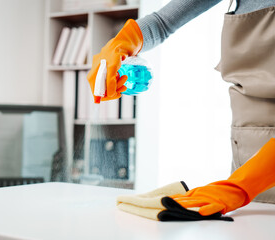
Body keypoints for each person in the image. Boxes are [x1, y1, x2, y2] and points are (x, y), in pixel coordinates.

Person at [87, 0, 275, 217]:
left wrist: (243, 185)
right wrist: (125, 41)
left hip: (246, 183)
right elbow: (162, 22)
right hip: (247, 169)